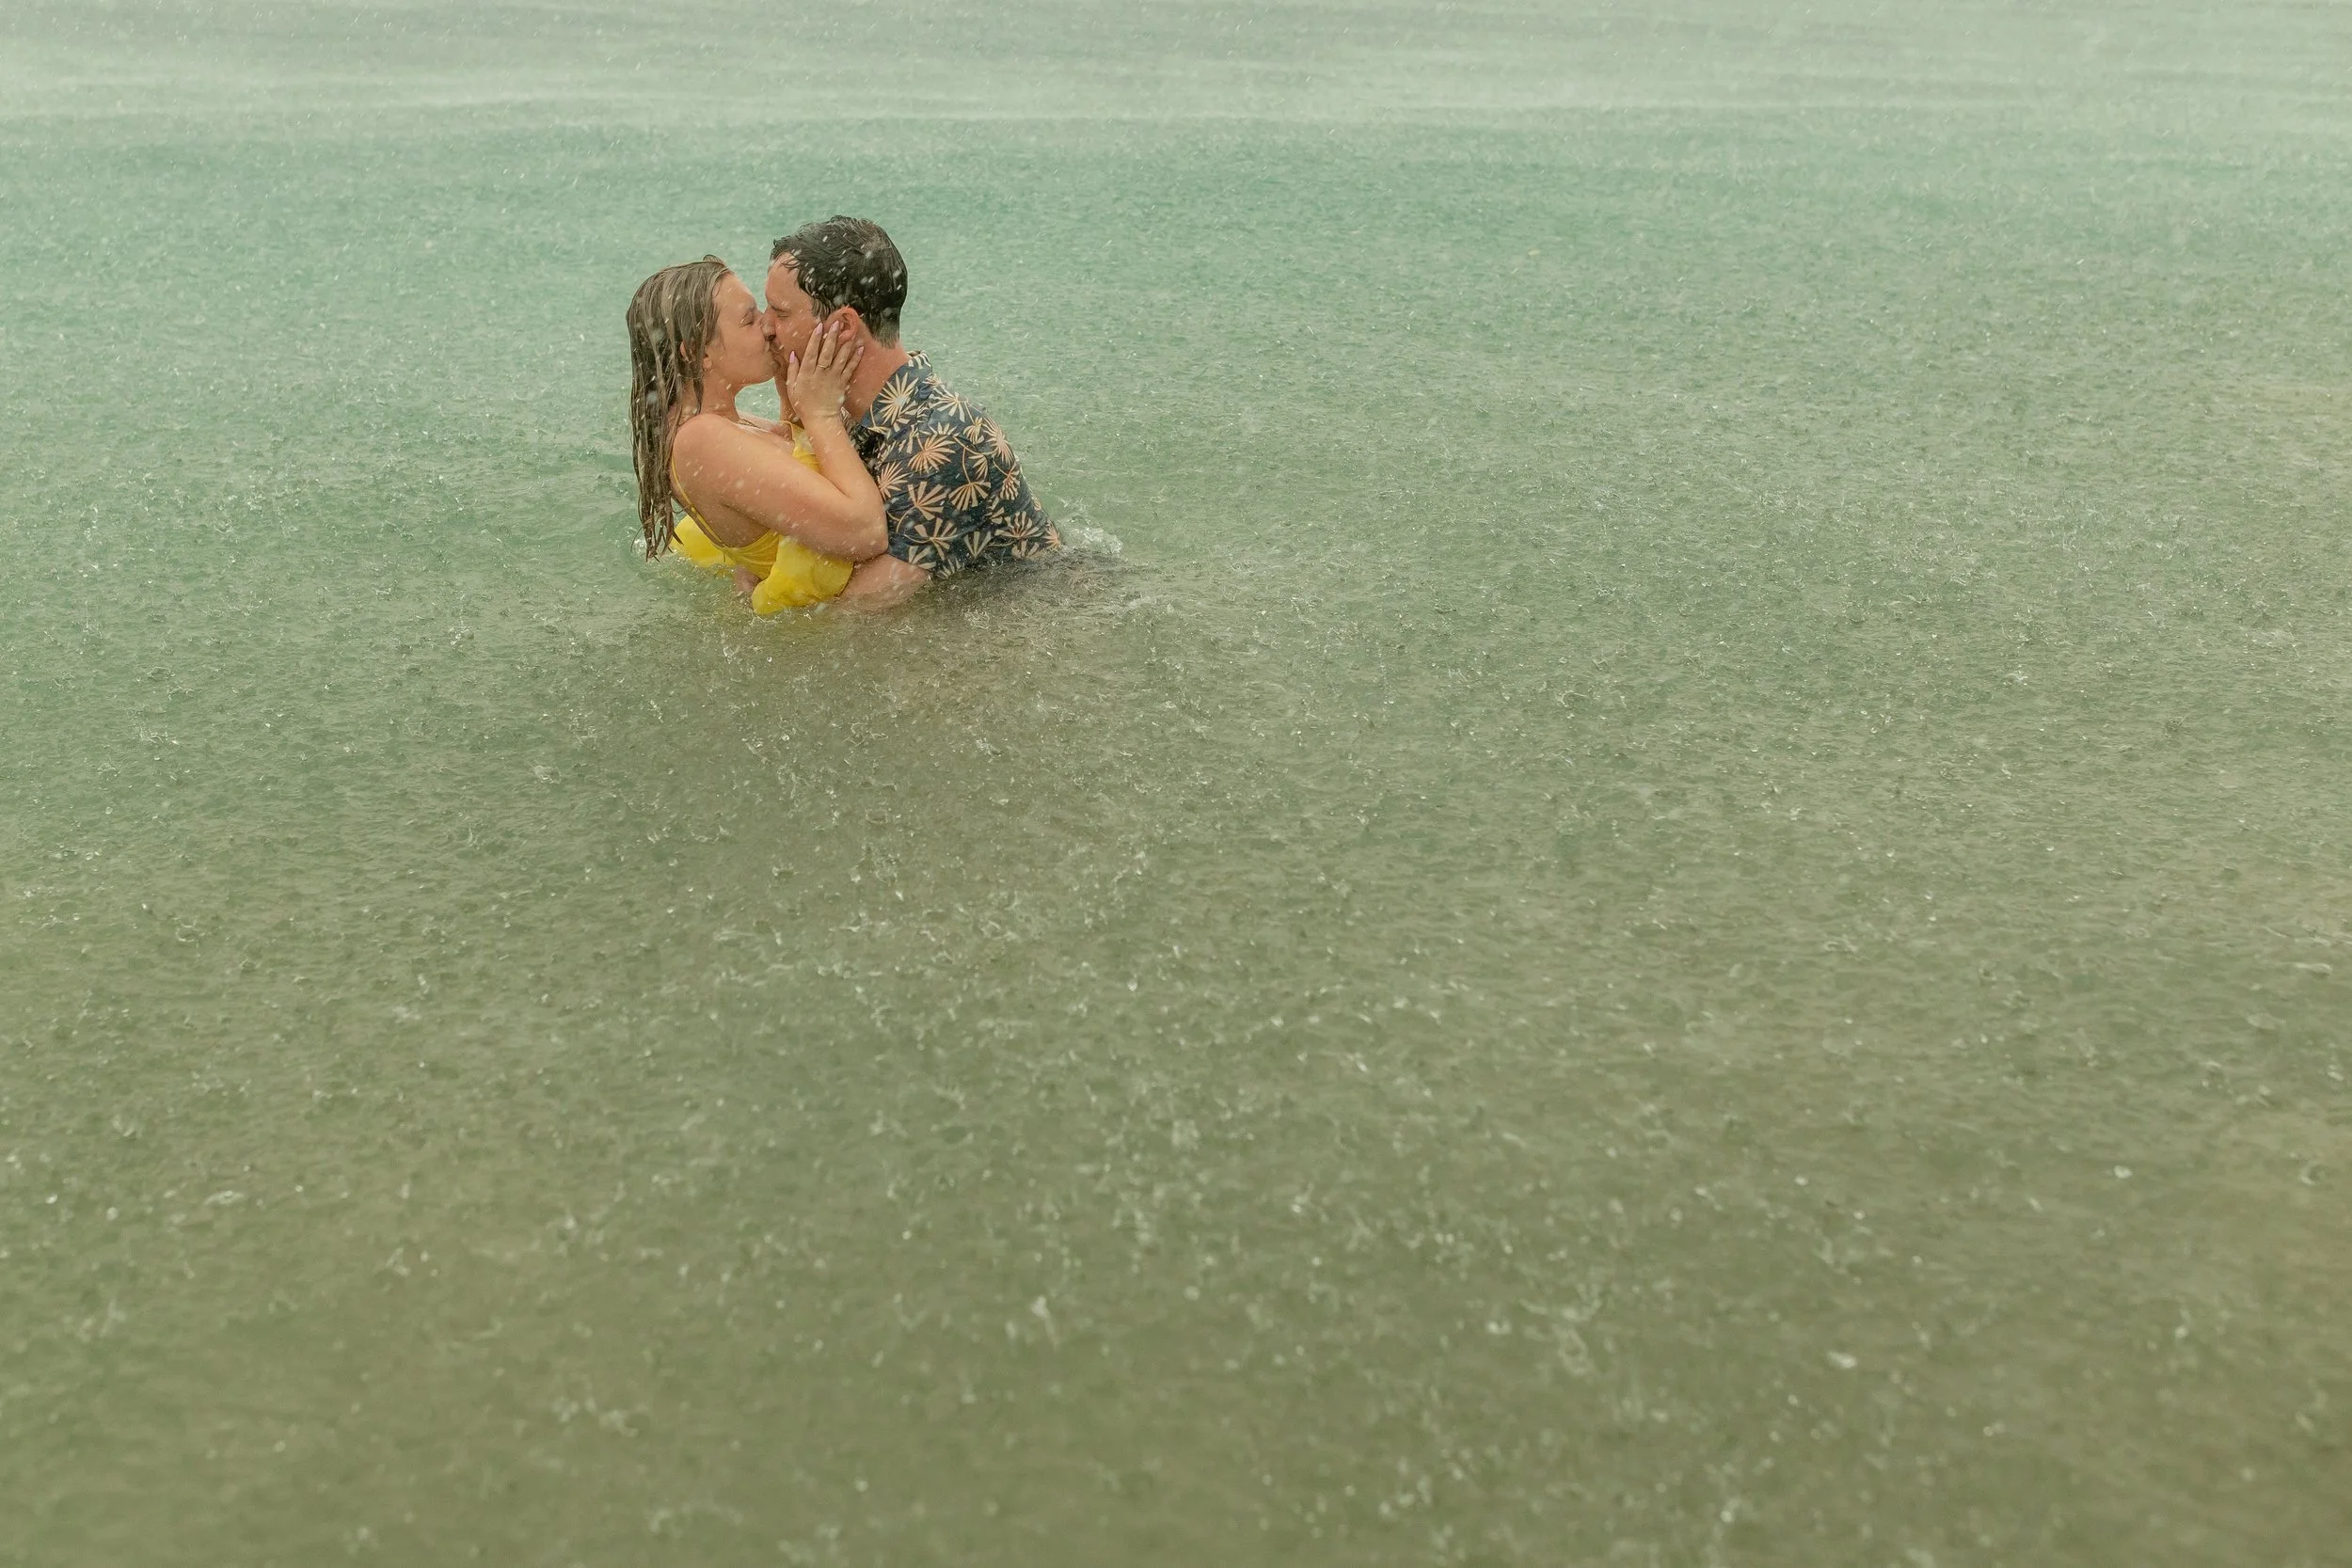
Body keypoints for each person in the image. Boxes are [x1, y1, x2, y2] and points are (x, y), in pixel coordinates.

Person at [763, 217, 1059, 605]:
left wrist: (756, 599)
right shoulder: (849, 412)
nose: (766, 328)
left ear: (844, 327)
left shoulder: (943, 436)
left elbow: (862, 609)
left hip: (1046, 618)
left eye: (781, 313)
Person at [625, 255, 889, 611]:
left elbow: (781, 487)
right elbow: (865, 533)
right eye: (749, 319)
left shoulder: (725, 424)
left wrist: (790, 400)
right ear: (699, 354)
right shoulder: (702, 441)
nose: (768, 326)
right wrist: (821, 413)